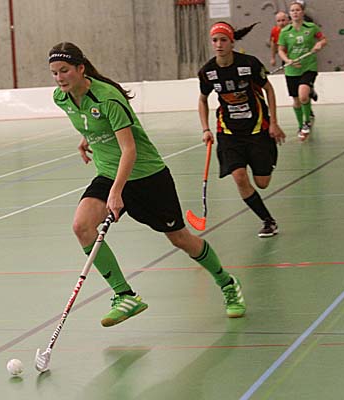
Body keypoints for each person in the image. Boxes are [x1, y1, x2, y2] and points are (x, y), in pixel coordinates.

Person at [48, 42, 246, 327]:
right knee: (82, 226)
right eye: (54, 73)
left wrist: (117, 192)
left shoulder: (108, 98)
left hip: (146, 176)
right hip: (108, 173)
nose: (59, 78)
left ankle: (227, 282)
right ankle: (124, 295)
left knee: (180, 239)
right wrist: (86, 138)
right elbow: (90, 121)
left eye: (64, 70)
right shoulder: (61, 98)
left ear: (81, 69)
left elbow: (129, 149)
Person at [198, 22, 286, 238]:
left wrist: (274, 122)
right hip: (228, 132)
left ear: (232, 42)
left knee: (262, 183)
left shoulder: (249, 64)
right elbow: (202, 99)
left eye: (223, 40)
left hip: (257, 129)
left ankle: (267, 157)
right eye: (215, 40)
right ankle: (268, 221)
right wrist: (205, 128)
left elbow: (269, 90)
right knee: (239, 176)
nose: (218, 44)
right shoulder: (208, 71)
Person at [278, 1, 327, 141]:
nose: (295, 12)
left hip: (308, 67)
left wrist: (319, 44)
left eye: (297, 10)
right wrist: (287, 60)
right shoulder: (285, 32)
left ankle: (306, 122)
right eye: (292, 10)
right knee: (296, 101)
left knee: (303, 96)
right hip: (292, 70)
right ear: (290, 14)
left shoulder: (311, 27)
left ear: (302, 12)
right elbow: (281, 50)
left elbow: (323, 39)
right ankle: (300, 126)